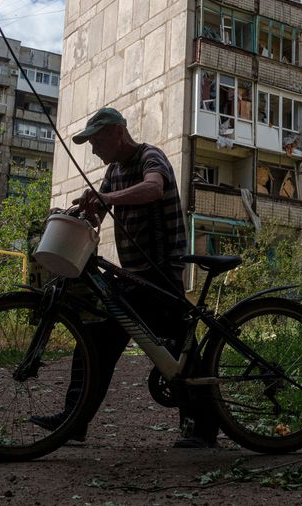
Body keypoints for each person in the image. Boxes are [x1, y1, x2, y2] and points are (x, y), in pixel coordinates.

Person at [30, 107, 219, 449]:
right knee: (95, 340)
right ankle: (74, 422)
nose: (94, 148)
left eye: (97, 140)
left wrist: (108, 198)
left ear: (118, 132)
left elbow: (153, 189)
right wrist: (79, 212)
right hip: (134, 277)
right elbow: (100, 208)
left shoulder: (150, 157)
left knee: (179, 351)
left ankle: (202, 430)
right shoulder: (114, 171)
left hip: (161, 274)